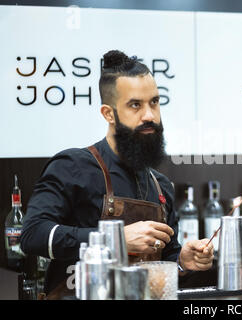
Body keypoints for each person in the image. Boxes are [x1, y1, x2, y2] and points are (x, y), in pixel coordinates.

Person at [19, 50, 214, 298]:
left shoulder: (160, 185)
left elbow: (165, 257)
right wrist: (114, 239)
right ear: (108, 114)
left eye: (154, 102)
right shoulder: (72, 166)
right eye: (135, 105)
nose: (149, 115)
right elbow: (32, 235)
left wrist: (182, 261)